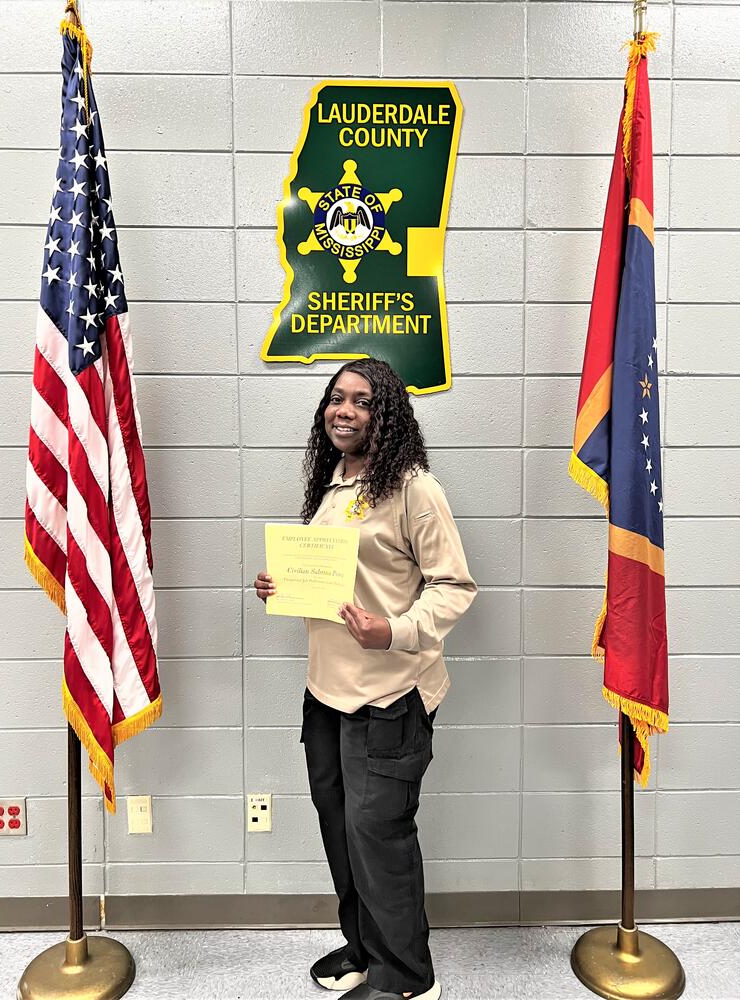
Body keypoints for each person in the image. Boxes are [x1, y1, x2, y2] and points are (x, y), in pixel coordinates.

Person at [254, 359, 477, 1000]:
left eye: (363, 401)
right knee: (341, 827)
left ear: (389, 416)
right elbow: (338, 581)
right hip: (325, 692)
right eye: (336, 398)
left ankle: (406, 979)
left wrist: (396, 630)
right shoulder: (333, 482)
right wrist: (280, 586)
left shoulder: (413, 489)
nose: (344, 410)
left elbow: (455, 588)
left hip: (389, 697)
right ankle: (363, 950)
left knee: (379, 835)